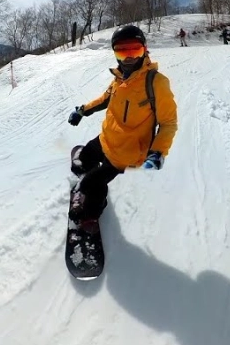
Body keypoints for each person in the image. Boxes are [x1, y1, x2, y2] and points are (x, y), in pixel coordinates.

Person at [66, 24, 178, 223]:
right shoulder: (119, 78)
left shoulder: (156, 83)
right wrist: (82, 110)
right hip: (106, 139)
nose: (129, 58)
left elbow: (168, 123)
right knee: (82, 160)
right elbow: (104, 99)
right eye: (122, 52)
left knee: (92, 185)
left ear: (145, 50)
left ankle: (91, 215)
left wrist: (158, 152)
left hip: (125, 154)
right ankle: (87, 168)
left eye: (135, 50)